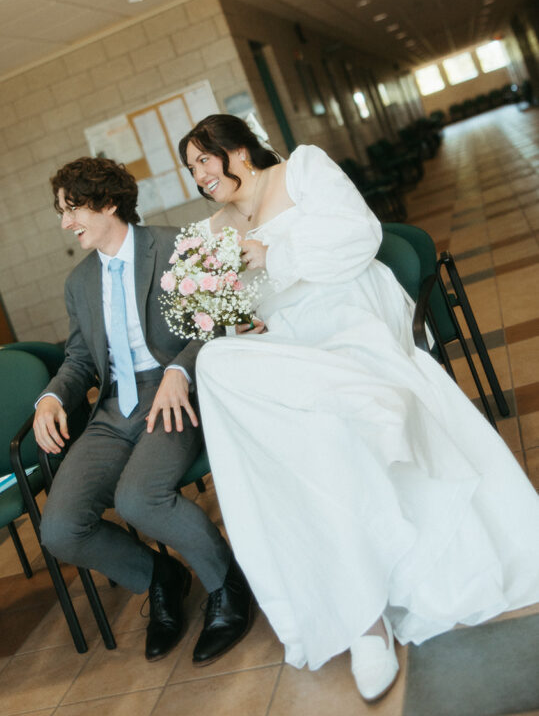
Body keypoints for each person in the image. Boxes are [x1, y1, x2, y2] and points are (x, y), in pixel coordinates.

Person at [177, 113, 539, 701]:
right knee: (216, 360)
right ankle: (357, 616)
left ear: (238, 150)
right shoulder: (213, 228)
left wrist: (271, 255)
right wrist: (238, 316)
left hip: (348, 310)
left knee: (324, 426)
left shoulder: (303, 168)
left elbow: (359, 236)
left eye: (203, 161)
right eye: (190, 169)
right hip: (287, 340)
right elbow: (240, 303)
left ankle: (367, 620)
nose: (198, 176)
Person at [34, 156, 254, 665]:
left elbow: (219, 321)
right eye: (62, 211)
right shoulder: (78, 283)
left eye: (73, 209)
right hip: (114, 410)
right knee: (60, 529)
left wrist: (180, 370)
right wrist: (51, 397)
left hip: (176, 392)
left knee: (138, 500)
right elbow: (80, 359)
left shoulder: (176, 246)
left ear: (109, 203)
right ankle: (162, 576)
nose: (65, 223)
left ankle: (226, 584)